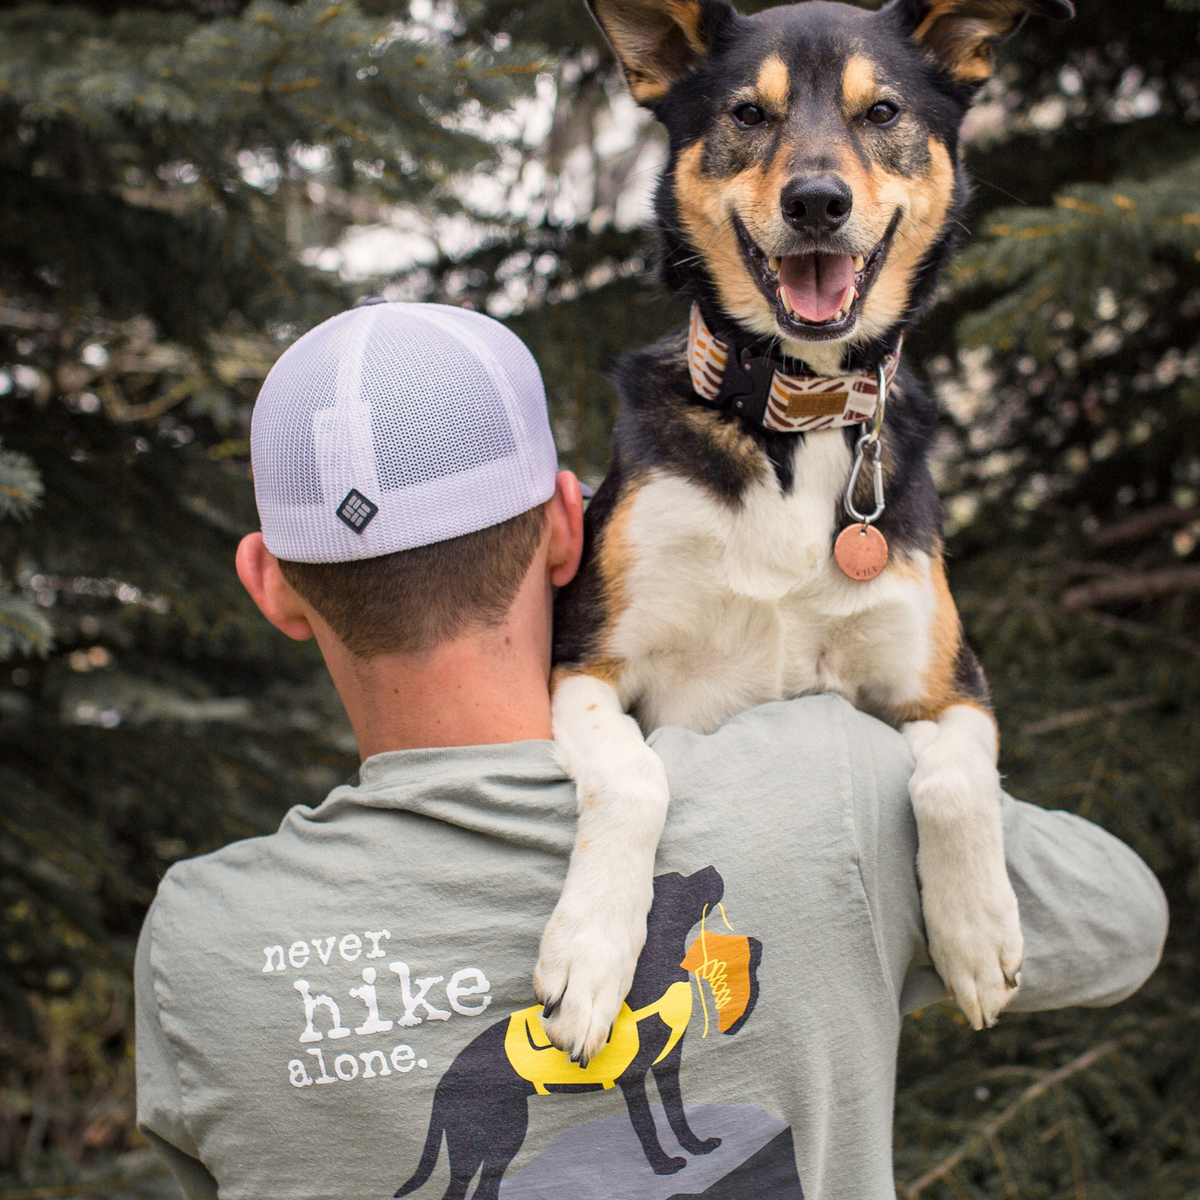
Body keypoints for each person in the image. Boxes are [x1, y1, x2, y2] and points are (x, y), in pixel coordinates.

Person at [135, 300, 1167, 1200]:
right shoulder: (828, 780)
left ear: (268, 585)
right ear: (564, 528)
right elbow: (1120, 921)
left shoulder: (203, 944)